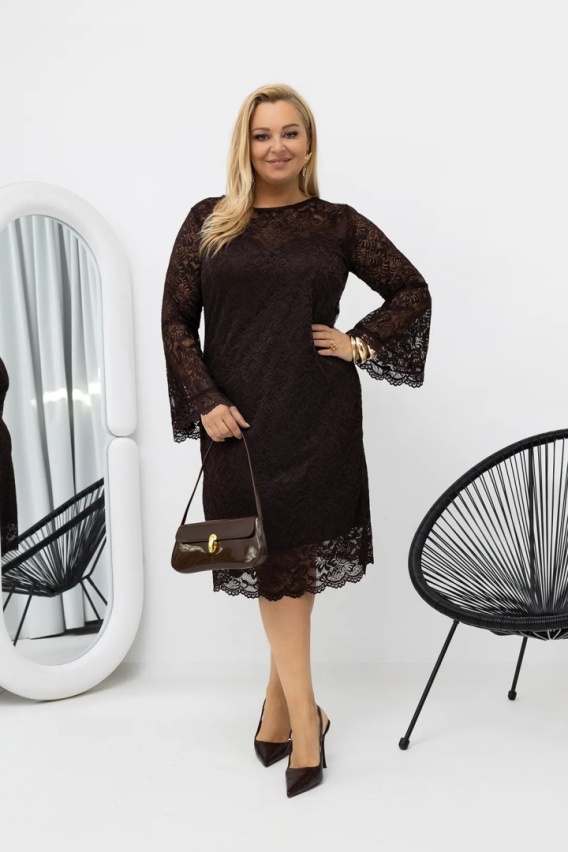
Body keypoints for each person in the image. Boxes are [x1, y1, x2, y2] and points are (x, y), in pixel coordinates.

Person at [161, 83, 432, 798]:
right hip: (237, 424)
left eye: (289, 133)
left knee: (291, 560)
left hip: (316, 417)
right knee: (268, 558)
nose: (276, 146)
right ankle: (300, 713)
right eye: (262, 134)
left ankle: (292, 720)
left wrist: (358, 343)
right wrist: (204, 399)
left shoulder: (337, 225)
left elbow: (411, 290)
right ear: (244, 144)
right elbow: (176, 322)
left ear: (308, 143)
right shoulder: (208, 221)